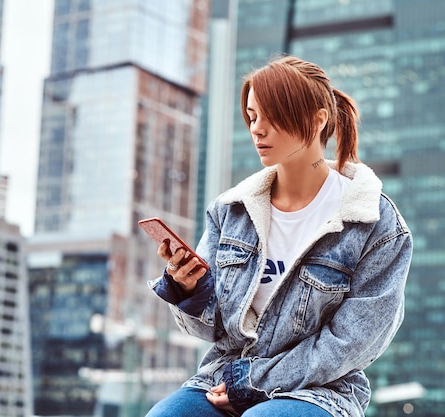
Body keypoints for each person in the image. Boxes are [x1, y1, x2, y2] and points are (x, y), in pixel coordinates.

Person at [145, 55, 413, 417]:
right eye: (252, 116)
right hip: (222, 376)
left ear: (318, 119)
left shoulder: (375, 224)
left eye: (271, 116)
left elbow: (354, 342)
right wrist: (189, 291)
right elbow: (212, 330)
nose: (257, 129)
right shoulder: (230, 211)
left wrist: (255, 382)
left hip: (320, 390)